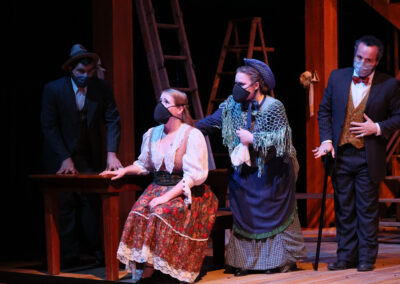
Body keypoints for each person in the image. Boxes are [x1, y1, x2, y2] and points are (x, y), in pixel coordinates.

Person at [195, 58, 306, 276]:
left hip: (272, 173)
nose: (237, 88)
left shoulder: (274, 107)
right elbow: (210, 123)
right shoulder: (231, 106)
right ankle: (246, 262)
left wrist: (253, 138)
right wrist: (186, 131)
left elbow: (282, 141)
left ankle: (282, 260)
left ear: (256, 85)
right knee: (246, 216)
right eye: (236, 82)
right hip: (245, 172)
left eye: (242, 84)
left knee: (276, 215)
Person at [100, 89, 218, 284]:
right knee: (138, 211)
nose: (160, 106)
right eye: (160, 101)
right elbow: (143, 164)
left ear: (180, 109)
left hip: (186, 191)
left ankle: (164, 268)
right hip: (157, 186)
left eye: (166, 102)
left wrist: (166, 197)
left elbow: (193, 176)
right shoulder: (151, 134)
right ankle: (149, 265)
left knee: (160, 211)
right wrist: (123, 171)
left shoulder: (192, 135)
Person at [314, 35, 400, 272]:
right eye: (359, 57)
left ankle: (366, 258)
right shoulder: (337, 77)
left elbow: (398, 116)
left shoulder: (389, 84)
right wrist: (327, 140)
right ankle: (345, 256)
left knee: (366, 209)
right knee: (344, 208)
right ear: (354, 55)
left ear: (376, 61)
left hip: (367, 156)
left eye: (368, 60)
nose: (362, 62)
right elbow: (324, 111)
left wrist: (378, 128)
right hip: (340, 155)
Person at [41, 44, 122, 267]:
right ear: (70, 70)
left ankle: (99, 253)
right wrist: (65, 157)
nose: (85, 76)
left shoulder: (101, 88)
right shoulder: (54, 89)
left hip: (88, 154)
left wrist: (111, 153)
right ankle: (67, 257)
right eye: (80, 72)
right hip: (60, 153)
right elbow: (49, 126)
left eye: (90, 72)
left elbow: (113, 119)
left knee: (91, 203)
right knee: (65, 203)